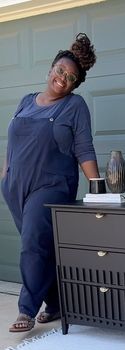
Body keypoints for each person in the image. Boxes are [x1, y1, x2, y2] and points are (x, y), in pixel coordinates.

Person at [1, 33, 100, 332]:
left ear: (74, 84)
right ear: (50, 69)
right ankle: (57, 304)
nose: (62, 78)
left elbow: (84, 149)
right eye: (60, 70)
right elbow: (13, 140)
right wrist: (5, 175)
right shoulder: (25, 101)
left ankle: (26, 310)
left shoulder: (74, 106)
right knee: (42, 247)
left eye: (70, 77)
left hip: (52, 186)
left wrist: (98, 189)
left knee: (33, 244)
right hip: (15, 187)